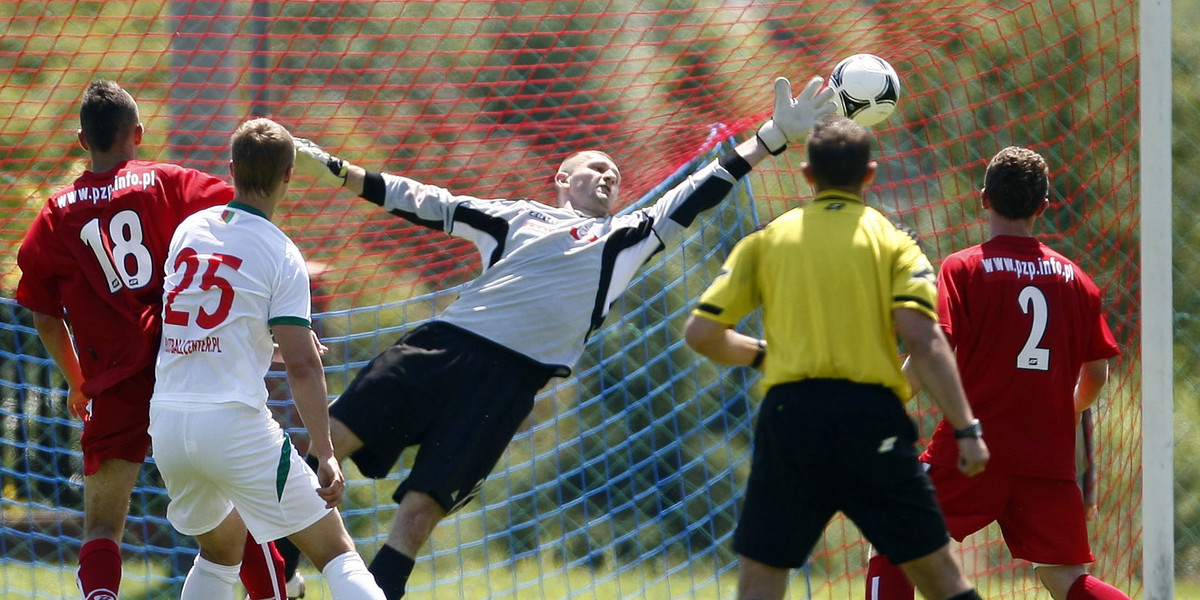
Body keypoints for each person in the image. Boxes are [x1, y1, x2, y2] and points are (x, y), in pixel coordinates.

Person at [279, 75, 838, 599]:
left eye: (615, 172)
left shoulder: (629, 237)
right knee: (324, 444)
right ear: (562, 180)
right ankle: (276, 572)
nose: (609, 175)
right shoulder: (515, 217)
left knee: (420, 515)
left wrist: (770, 138)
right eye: (595, 166)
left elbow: (701, 189)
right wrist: (335, 168)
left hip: (508, 387)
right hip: (442, 348)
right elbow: (424, 199)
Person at [683, 115, 990, 600]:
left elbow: (702, 333)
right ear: (870, 174)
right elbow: (923, 338)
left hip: (792, 419)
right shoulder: (894, 242)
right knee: (942, 580)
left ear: (807, 174)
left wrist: (763, 355)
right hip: (873, 422)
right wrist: (966, 429)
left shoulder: (767, 240)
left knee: (761, 580)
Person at [14, 79, 288, 600]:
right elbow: (243, 210)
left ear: (80, 140)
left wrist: (79, 383)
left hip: (114, 382)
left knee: (101, 529)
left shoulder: (54, 216)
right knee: (233, 513)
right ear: (137, 133)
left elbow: (44, 315)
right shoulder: (167, 182)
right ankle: (277, 588)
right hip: (183, 368)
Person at [863, 146, 1128, 600]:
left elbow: (934, 349)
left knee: (892, 538)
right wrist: (1064, 412)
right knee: (1064, 578)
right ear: (1044, 207)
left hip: (973, 446)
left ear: (983, 198)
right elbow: (1097, 373)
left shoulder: (964, 268)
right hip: (1047, 455)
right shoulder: (1077, 280)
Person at [147, 117, 385, 600]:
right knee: (337, 552)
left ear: (231, 169)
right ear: (289, 175)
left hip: (169, 425)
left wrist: (270, 345)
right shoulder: (281, 252)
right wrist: (326, 452)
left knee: (219, 556)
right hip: (232, 424)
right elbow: (303, 365)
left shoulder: (191, 229)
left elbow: (202, 324)